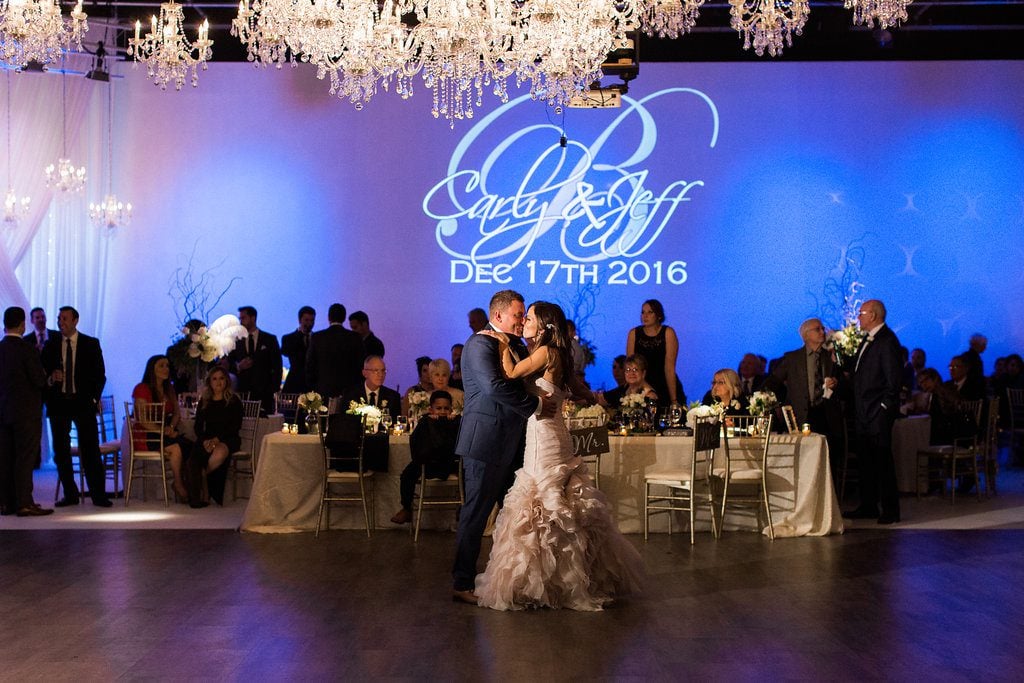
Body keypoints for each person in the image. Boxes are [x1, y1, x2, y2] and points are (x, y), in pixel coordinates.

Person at [474, 300, 644, 610]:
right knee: (561, 502)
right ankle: (567, 579)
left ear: (543, 325)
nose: (524, 321)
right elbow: (580, 390)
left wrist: (501, 344)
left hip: (543, 436)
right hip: (558, 434)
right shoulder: (559, 354)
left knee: (541, 501)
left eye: (529, 317)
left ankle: (543, 584)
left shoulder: (544, 351)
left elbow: (511, 374)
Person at [452, 290, 554, 605]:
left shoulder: (516, 345)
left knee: (513, 515)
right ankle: (462, 582)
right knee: (476, 513)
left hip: (512, 443)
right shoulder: (480, 344)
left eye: (524, 315)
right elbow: (494, 387)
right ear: (497, 316)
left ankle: (510, 579)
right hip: (484, 442)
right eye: (517, 315)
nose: (521, 320)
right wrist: (537, 405)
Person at [41, 306, 112, 508]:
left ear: (75, 321)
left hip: (82, 404)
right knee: (61, 451)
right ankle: (70, 494)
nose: (60, 322)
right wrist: (50, 378)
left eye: (64, 318)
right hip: (59, 403)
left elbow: (100, 375)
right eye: (59, 319)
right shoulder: (51, 344)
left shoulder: (90, 344)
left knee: (90, 449)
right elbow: (41, 372)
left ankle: (98, 495)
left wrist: (92, 400)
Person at [846, 299, 902, 525]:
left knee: (882, 462)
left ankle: (890, 510)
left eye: (861, 313)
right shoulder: (868, 340)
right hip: (863, 413)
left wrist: (882, 409)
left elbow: (893, 381)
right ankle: (868, 505)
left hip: (876, 414)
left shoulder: (887, 341)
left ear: (873, 315)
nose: (858, 317)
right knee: (866, 462)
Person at [766, 318, 843, 479]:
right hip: (800, 416)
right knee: (801, 459)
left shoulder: (832, 356)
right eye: (818, 329)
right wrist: (778, 405)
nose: (822, 332)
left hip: (826, 414)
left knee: (829, 459)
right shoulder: (792, 358)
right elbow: (772, 383)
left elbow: (846, 381)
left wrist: (837, 382)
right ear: (806, 335)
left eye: (823, 328)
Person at [0, 306, 51, 517]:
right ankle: (24, 502)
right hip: (26, 413)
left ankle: (6, 503)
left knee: (5, 457)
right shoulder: (27, 349)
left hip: (3, 412)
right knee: (25, 458)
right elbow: (39, 380)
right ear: (22, 324)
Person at [390, 390, 460, 525]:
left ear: (451, 409)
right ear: (431, 409)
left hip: (449, 463)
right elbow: (416, 445)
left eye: (446, 408)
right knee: (407, 475)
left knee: (470, 472)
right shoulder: (425, 422)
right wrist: (429, 422)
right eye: (438, 408)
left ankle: (463, 509)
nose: (443, 411)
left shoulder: (456, 422)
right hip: (427, 464)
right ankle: (406, 508)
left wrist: (449, 423)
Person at [132, 355, 194, 502]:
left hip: (165, 431)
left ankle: (190, 483)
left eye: (167, 365)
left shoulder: (168, 389)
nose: (165, 369)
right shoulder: (142, 388)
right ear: (152, 369)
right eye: (161, 366)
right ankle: (178, 484)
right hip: (147, 434)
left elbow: (177, 413)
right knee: (176, 447)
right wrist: (163, 431)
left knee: (190, 446)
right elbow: (143, 419)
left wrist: (171, 427)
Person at [187, 366, 243, 508]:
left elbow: (234, 426)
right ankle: (195, 495)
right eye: (215, 379)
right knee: (195, 454)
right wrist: (206, 440)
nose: (218, 382)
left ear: (227, 381)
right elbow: (198, 426)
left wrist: (217, 440)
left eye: (222, 378)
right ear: (210, 382)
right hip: (208, 438)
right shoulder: (205, 401)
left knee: (219, 452)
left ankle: (204, 477)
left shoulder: (233, 401)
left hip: (228, 438)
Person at [335, 355, 401, 473]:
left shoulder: (392, 396)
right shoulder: (351, 394)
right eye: (376, 371)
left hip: (382, 446)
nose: (380, 375)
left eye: (383, 371)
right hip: (356, 446)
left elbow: (394, 424)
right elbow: (345, 423)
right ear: (365, 373)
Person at [626, 299, 685, 407]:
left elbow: (669, 367)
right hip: (641, 385)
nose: (645, 316)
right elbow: (630, 367)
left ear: (658, 315)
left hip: (664, 384)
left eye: (650, 312)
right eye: (643, 312)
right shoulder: (634, 333)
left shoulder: (668, 333)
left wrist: (673, 400)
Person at [228, 306, 282, 415]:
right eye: (240, 318)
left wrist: (273, 388)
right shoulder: (236, 341)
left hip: (264, 393)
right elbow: (228, 363)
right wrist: (239, 367)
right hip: (242, 392)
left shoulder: (269, 339)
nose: (240, 321)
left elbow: (277, 366)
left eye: (243, 318)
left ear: (253, 318)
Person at [305, 303, 364, 400]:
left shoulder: (317, 337)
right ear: (344, 317)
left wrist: (314, 386)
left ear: (329, 317)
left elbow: (310, 364)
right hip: (349, 390)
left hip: (323, 390)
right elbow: (361, 364)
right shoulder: (355, 338)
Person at [280, 306, 315, 394]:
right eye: (306, 320)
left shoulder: (318, 339)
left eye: (312, 320)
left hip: (312, 384)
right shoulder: (289, 338)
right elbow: (285, 351)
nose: (309, 324)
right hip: (294, 383)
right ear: (300, 320)